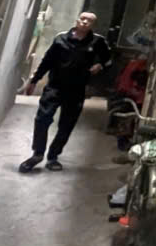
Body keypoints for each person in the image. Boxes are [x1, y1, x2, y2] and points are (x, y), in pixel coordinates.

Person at [19, 11, 112, 172]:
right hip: (55, 87)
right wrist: (34, 81)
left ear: (93, 25)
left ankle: (53, 156)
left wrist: (100, 65)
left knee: (66, 124)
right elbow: (47, 61)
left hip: (77, 89)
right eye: (82, 19)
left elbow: (108, 60)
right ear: (77, 20)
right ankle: (38, 154)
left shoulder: (98, 41)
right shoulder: (61, 38)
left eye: (89, 21)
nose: (85, 22)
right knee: (42, 119)